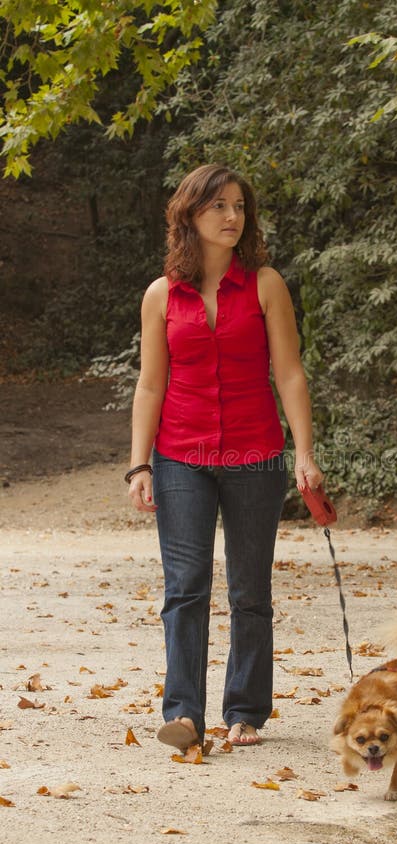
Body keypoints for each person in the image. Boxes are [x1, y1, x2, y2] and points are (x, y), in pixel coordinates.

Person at [126, 163, 323, 750]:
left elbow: (288, 372)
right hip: (180, 455)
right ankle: (185, 714)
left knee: (248, 589)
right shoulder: (161, 295)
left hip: (255, 454)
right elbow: (150, 386)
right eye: (219, 207)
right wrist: (139, 464)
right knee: (185, 585)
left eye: (239, 206)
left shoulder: (265, 284)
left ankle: (245, 712)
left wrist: (305, 451)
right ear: (189, 215)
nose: (232, 217)